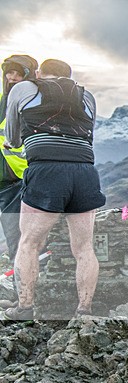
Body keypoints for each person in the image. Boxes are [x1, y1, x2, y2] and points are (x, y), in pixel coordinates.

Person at [2, 58, 105, 320]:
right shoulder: (87, 96)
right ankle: (84, 310)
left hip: (46, 169)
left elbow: (12, 137)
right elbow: (89, 132)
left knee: (29, 243)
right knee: (84, 247)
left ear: (39, 73)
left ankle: (25, 307)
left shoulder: (24, 89)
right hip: (84, 171)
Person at [0, 55, 38, 262]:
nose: (12, 78)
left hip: (19, 181)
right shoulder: (1, 100)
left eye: (18, 74)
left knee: (19, 238)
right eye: (9, 72)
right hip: (5, 183)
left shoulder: (32, 104)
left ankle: (23, 289)